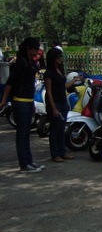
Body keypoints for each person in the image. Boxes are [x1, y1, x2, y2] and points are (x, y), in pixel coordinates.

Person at [0, 37, 45, 172]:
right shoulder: (21, 63)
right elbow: (10, 82)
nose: (37, 51)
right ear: (28, 48)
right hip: (19, 101)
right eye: (35, 48)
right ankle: (24, 163)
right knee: (22, 133)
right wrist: (4, 100)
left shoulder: (30, 63)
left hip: (28, 100)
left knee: (26, 133)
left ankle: (29, 160)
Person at [44, 47, 79, 163]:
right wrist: (53, 107)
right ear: (53, 58)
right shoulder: (49, 73)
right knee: (55, 130)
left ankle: (62, 152)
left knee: (61, 129)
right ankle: (55, 154)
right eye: (58, 57)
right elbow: (49, 92)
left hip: (63, 102)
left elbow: (64, 86)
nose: (60, 59)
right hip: (55, 104)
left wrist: (75, 80)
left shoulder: (60, 70)